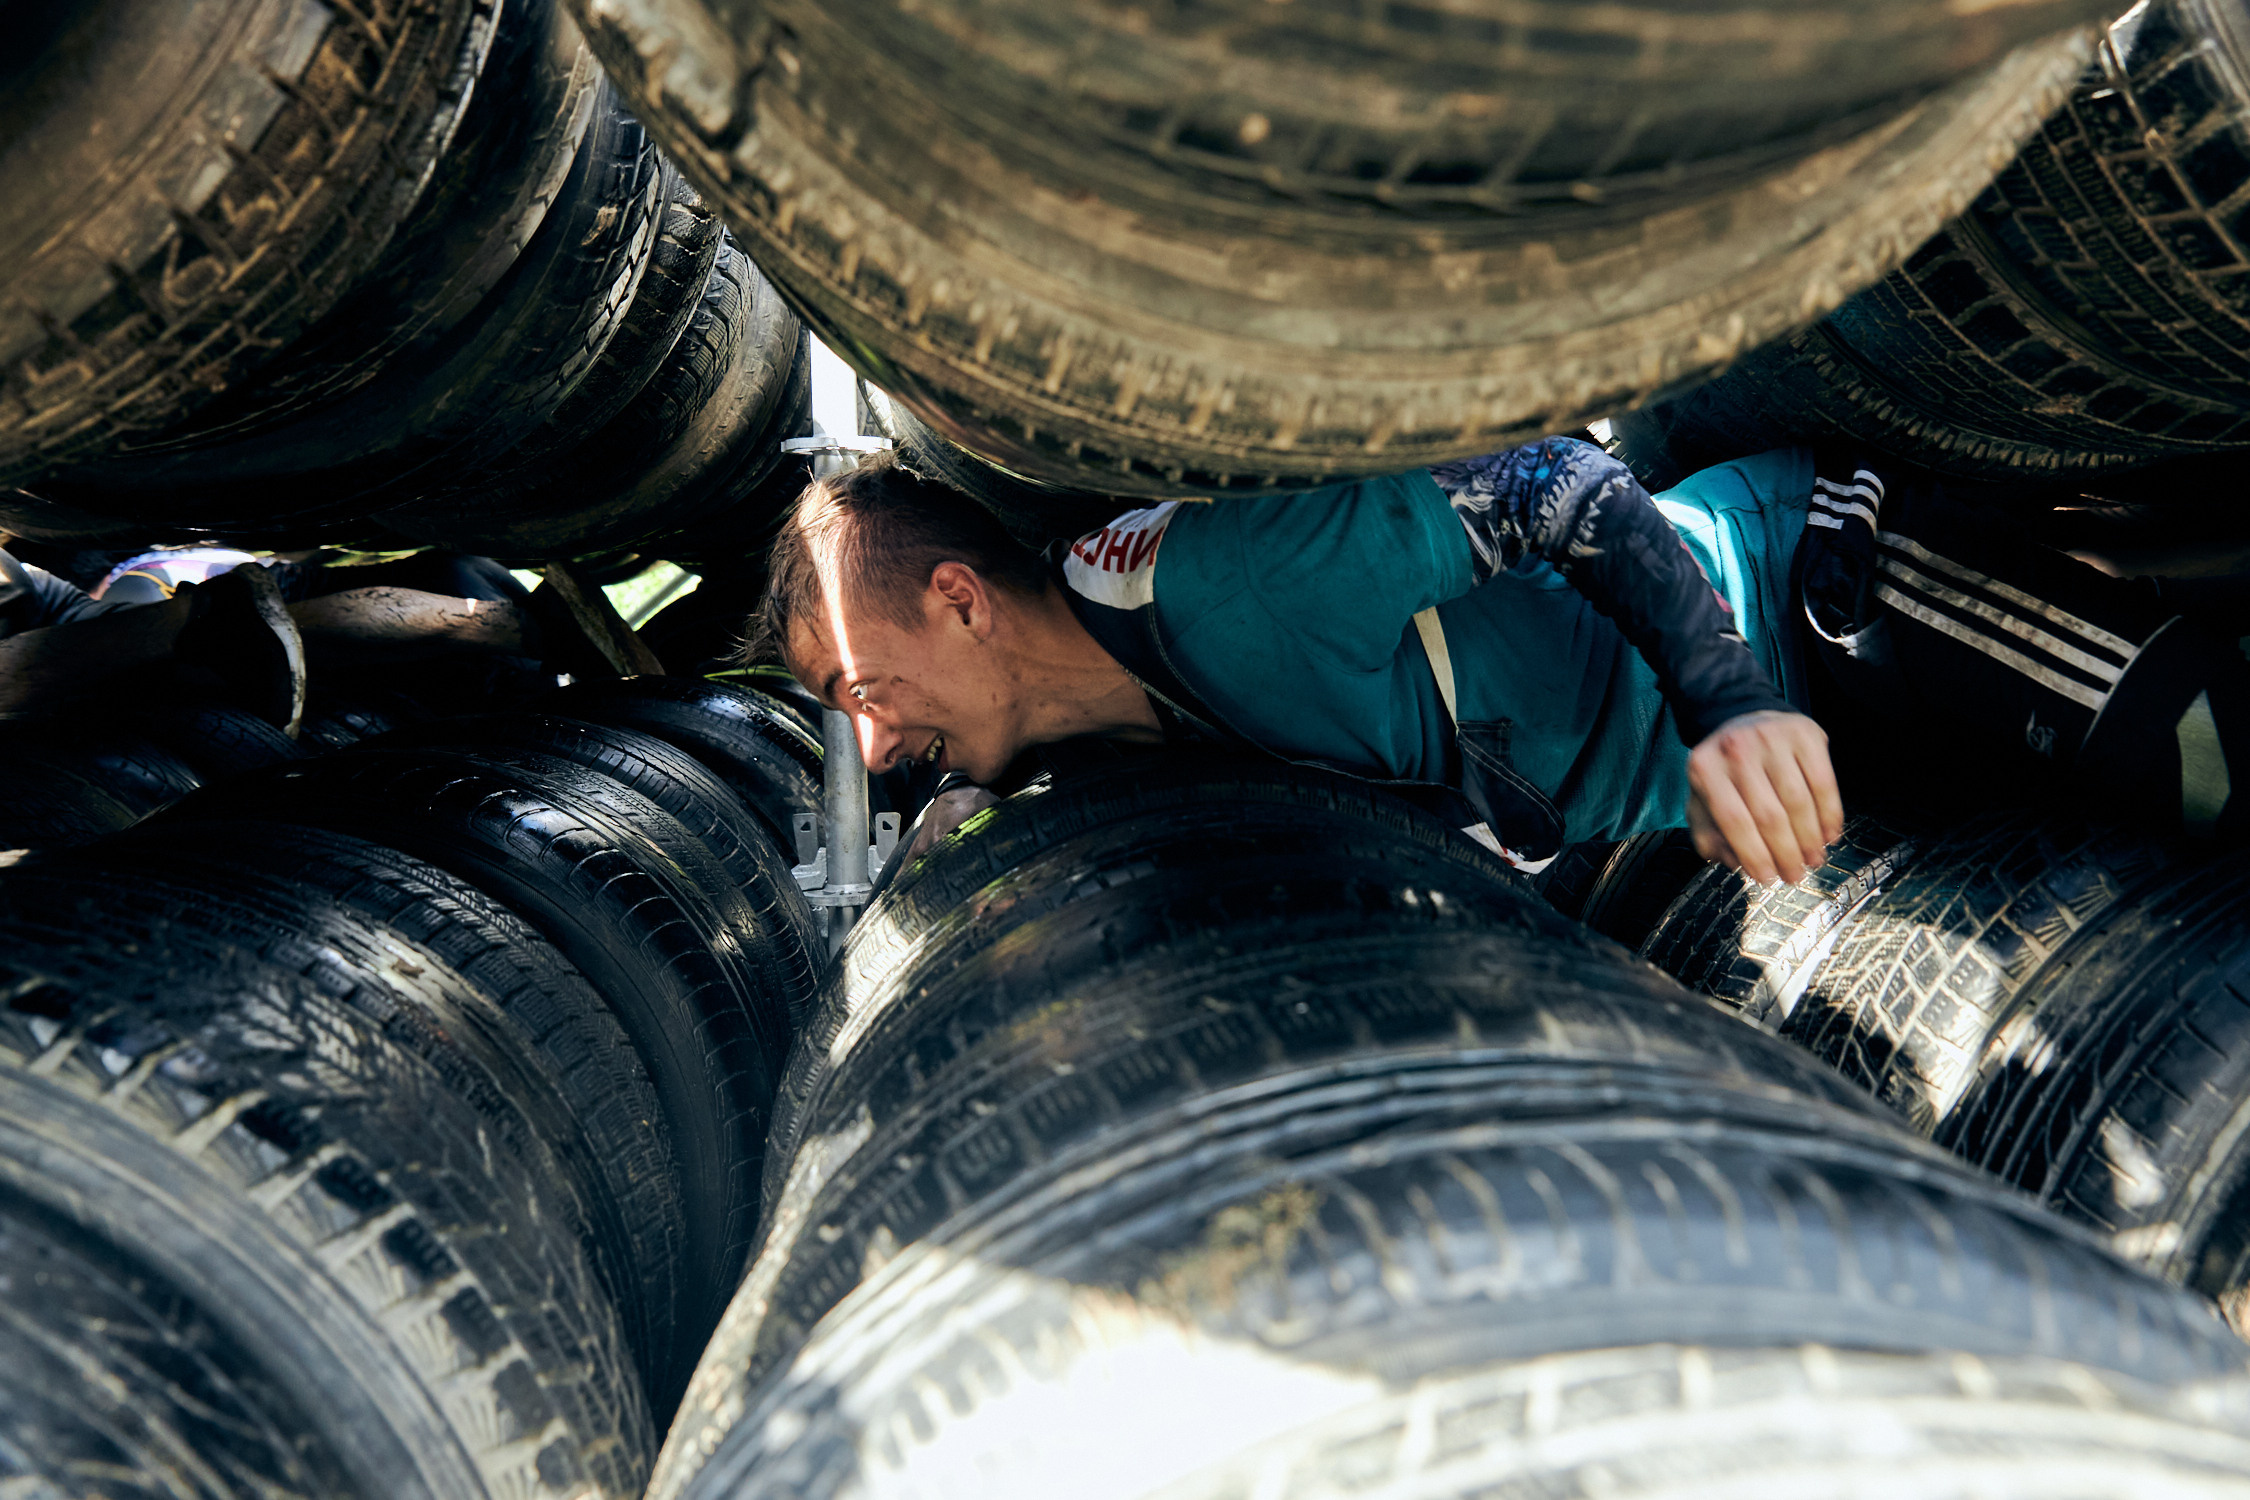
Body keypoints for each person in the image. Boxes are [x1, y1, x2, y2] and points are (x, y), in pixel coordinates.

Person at [759, 438, 2246, 887]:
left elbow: (1551, 484)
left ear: (959, 599)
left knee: (2213, 759)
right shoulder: (1110, 723)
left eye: (859, 696)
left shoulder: (1217, 594)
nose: (872, 748)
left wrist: (1723, 704)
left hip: (1816, 601)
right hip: (1768, 781)